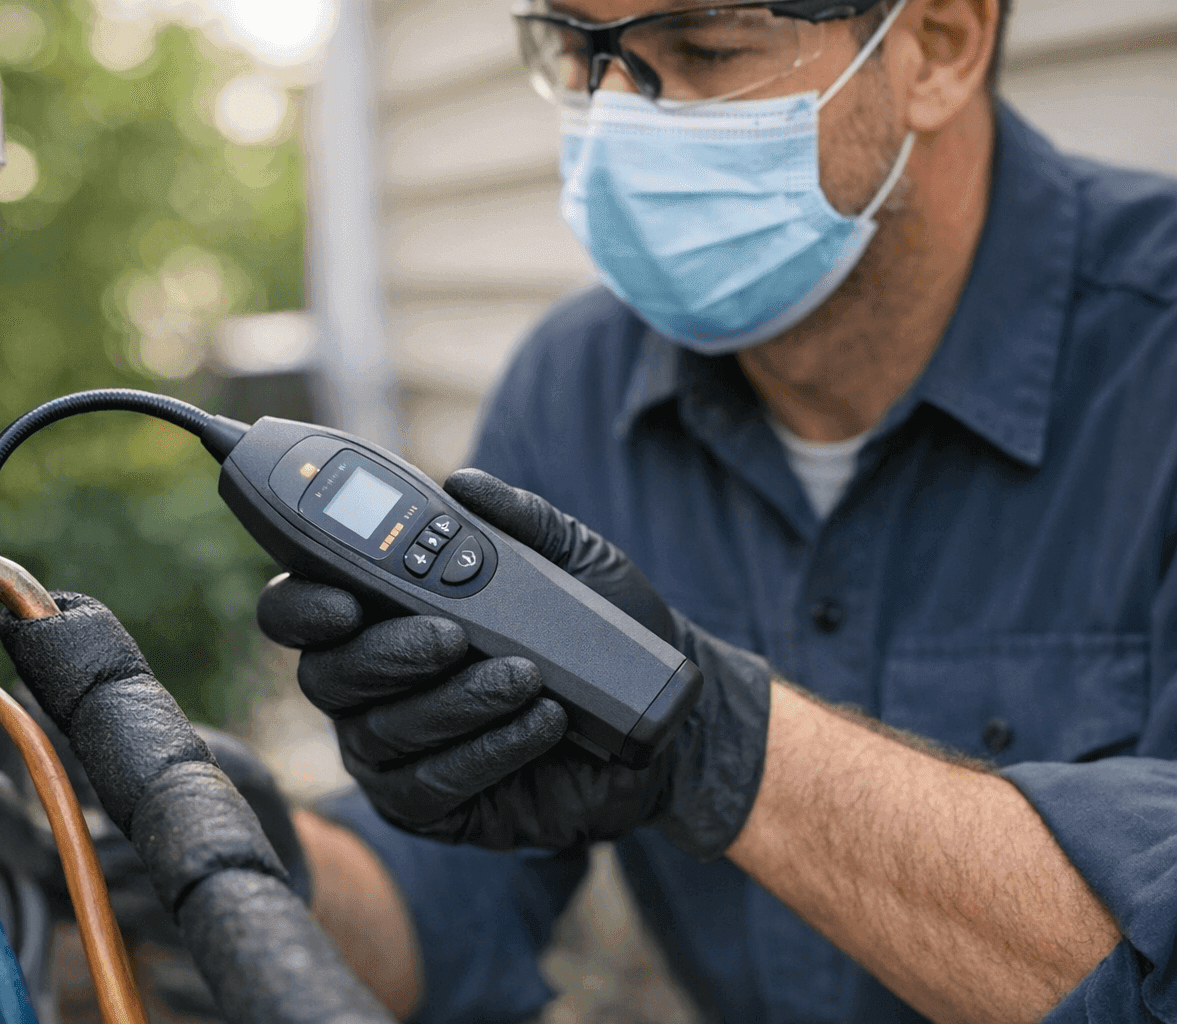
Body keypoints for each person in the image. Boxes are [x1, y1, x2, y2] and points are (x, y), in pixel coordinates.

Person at [250, 0, 1177, 1021]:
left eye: (704, 48)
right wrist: (238, 865)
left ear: (940, 44)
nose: (615, 121)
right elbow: (446, 912)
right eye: (579, 50)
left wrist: (710, 742)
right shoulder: (572, 394)